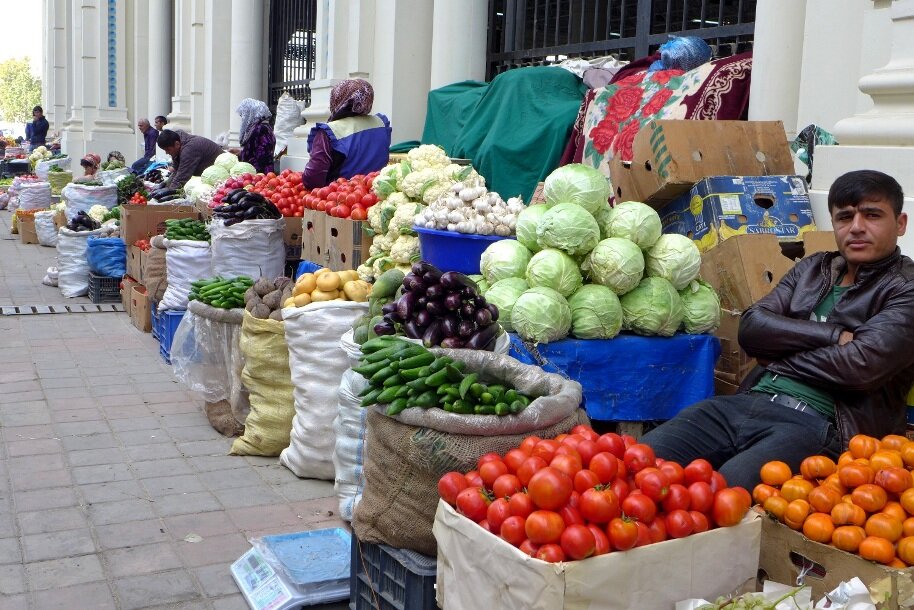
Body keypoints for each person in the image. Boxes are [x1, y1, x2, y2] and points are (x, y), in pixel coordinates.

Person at [641, 169, 914, 491]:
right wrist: (831, 336)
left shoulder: (905, 288)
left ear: (900, 223)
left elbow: (858, 367)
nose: (856, 227)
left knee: (725, 494)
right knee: (641, 463)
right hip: (747, 402)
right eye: (844, 217)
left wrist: (780, 357)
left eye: (872, 215)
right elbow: (753, 328)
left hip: (818, 424)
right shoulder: (814, 268)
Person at [302, 79, 391, 189]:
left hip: (342, 199)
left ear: (338, 99)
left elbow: (313, 180)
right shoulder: (381, 123)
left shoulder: (330, 132)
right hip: (376, 195)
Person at [153, 129, 223, 192]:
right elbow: (177, 170)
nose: (166, 153)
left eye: (168, 150)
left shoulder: (189, 149)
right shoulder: (178, 142)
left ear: (177, 144)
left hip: (220, 178)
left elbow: (182, 177)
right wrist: (165, 184)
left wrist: (167, 191)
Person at [229, 98, 276, 174]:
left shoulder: (260, 129)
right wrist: (241, 153)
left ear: (251, 113)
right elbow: (254, 151)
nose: (243, 118)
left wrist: (244, 161)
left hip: (259, 174)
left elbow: (262, 156)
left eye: (244, 114)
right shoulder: (264, 127)